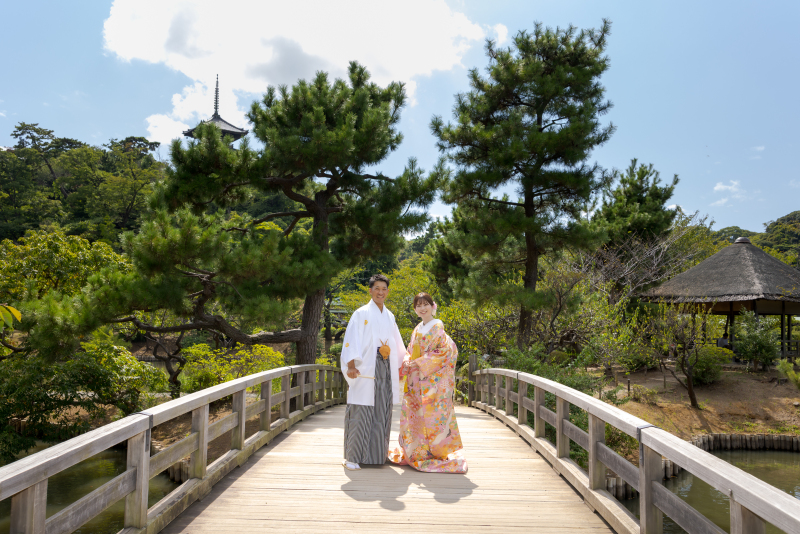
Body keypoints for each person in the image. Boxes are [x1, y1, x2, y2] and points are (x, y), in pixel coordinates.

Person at [388, 292, 467, 473]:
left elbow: (446, 352)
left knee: (434, 416)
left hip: (434, 383)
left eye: (425, 304)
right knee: (416, 416)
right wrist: (408, 360)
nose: (422, 308)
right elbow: (410, 350)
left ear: (433, 306)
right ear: (415, 310)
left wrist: (418, 362)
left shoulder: (438, 327)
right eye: (418, 305)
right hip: (417, 381)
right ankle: (417, 450)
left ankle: (436, 453)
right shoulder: (418, 328)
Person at [340, 274, 406, 471]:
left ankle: (377, 456)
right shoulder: (360, 314)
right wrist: (351, 365)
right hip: (365, 368)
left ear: (387, 291)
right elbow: (351, 340)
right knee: (361, 410)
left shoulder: (390, 316)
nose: (380, 292)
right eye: (376, 288)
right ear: (370, 291)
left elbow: (398, 343)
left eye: (384, 289)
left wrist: (404, 363)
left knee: (382, 409)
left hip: (385, 366)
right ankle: (352, 456)